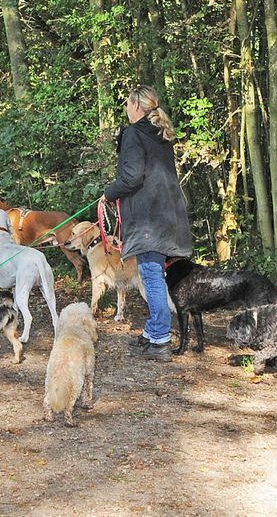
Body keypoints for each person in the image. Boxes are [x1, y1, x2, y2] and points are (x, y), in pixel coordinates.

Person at [102, 85, 192, 362]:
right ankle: (153, 333)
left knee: (151, 276)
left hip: (149, 218)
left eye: (128, 104)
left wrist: (108, 194)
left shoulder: (134, 133)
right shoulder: (159, 134)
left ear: (137, 106)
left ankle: (161, 340)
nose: (126, 109)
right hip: (169, 215)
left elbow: (131, 178)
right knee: (154, 276)